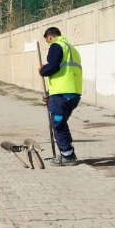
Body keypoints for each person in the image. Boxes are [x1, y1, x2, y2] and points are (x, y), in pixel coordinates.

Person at [38, 27, 83, 166]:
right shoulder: (72, 49)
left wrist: (42, 70)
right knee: (61, 123)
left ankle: (67, 156)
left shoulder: (57, 45)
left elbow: (53, 67)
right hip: (73, 94)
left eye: (47, 41)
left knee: (57, 124)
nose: (48, 43)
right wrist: (51, 96)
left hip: (62, 94)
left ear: (50, 37)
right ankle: (68, 152)